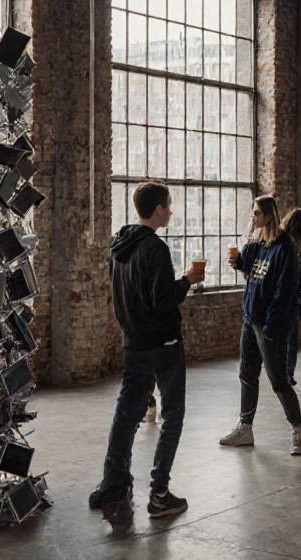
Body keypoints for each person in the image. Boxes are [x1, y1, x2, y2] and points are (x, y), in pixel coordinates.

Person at [88, 183, 203, 516]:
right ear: (158, 211)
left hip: (133, 343)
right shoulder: (156, 248)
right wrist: (187, 281)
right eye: (169, 205)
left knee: (127, 414)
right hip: (163, 345)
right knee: (172, 418)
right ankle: (159, 493)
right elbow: (162, 300)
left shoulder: (119, 244)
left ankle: (113, 485)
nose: (171, 211)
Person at [219, 195, 301, 454]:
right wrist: (240, 262)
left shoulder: (284, 248)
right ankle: (245, 426)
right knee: (247, 374)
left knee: (278, 379)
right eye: (252, 213)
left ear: (269, 214)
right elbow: (252, 273)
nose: (253, 218)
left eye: (257, 213)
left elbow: (284, 291)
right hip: (250, 318)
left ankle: (297, 428)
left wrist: (272, 326)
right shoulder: (257, 244)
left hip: (269, 323)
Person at [281, 208, 301, 391]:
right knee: (296, 339)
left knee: (299, 339)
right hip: (297, 297)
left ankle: (289, 374)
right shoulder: (292, 248)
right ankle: (289, 374)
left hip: (299, 296)